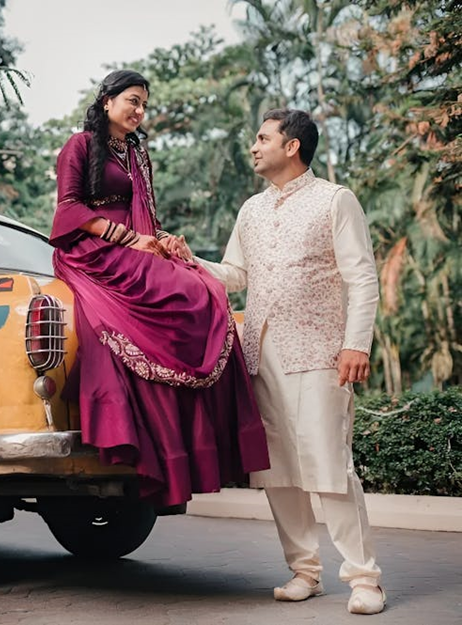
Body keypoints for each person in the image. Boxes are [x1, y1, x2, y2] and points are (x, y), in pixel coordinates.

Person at [188, 109, 385, 615]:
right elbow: (235, 274)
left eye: (262, 138)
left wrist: (356, 343)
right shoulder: (251, 209)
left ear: (292, 146)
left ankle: (365, 580)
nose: (253, 147)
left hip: (321, 350)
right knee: (278, 471)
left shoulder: (335, 200)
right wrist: (188, 260)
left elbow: (361, 277)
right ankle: (305, 572)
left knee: (329, 466)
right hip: (260, 353)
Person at [49, 69, 270, 509]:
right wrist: (130, 240)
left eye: (144, 104)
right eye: (132, 100)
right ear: (107, 100)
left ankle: (196, 441)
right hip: (91, 251)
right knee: (187, 293)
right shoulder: (79, 146)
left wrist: (162, 241)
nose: (139, 111)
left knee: (205, 288)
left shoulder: (136, 154)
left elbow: (147, 214)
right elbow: (69, 209)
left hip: (138, 250)